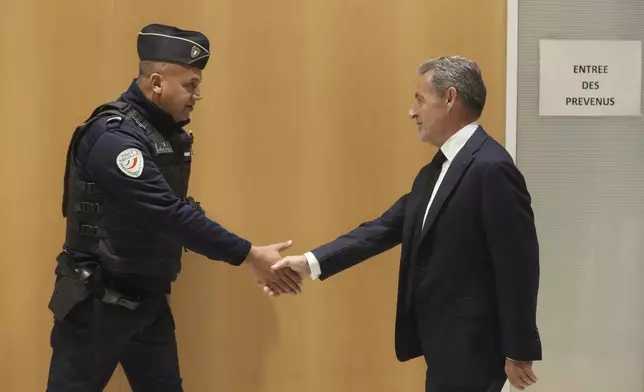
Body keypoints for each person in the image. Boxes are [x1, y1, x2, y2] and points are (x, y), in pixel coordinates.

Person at [46, 23, 301, 392]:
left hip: (147, 300)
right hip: (97, 304)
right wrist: (248, 254)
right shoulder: (114, 139)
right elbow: (168, 214)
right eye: (191, 85)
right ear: (157, 82)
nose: (197, 95)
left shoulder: (164, 135)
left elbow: (179, 209)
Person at [268, 56, 542, 392]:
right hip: (443, 347)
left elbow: (518, 265)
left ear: (451, 98)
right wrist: (310, 263)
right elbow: (382, 229)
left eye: (420, 100)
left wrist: (519, 350)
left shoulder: (492, 167)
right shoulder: (435, 171)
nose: (412, 112)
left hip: (476, 348)